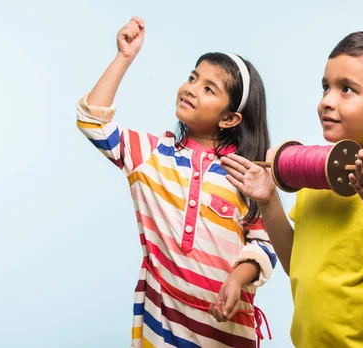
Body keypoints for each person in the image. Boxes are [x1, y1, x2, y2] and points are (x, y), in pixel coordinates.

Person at [221, 30, 363, 347]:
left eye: (347, 89)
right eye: (325, 87)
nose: (326, 101)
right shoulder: (316, 181)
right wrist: (270, 201)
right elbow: (297, 266)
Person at [76, 17, 276, 348]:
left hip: (225, 332)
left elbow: (265, 244)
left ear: (229, 118)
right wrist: (124, 57)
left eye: (208, 88)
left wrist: (236, 280)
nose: (191, 88)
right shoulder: (150, 156)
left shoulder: (246, 173)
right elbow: (91, 121)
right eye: (192, 78)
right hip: (161, 324)